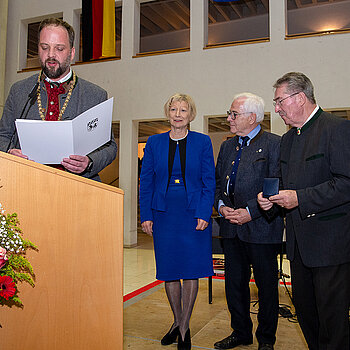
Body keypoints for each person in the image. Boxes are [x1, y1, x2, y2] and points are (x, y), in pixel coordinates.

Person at [258, 72, 350, 350]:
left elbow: (346, 183)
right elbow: (286, 186)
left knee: (333, 321)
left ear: (299, 98)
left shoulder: (337, 129)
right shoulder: (287, 140)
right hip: (298, 248)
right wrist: (270, 201)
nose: (276, 108)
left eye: (279, 101)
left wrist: (300, 198)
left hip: (331, 246)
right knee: (307, 316)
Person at [139, 93, 215, 350]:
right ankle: (176, 321)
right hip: (163, 212)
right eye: (174, 109)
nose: (178, 114)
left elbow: (209, 181)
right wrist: (146, 215)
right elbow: (146, 181)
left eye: (184, 110)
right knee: (170, 270)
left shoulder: (203, 142)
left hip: (193, 213)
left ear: (191, 115)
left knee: (191, 269)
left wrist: (205, 212)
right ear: (168, 113)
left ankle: (184, 328)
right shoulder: (153, 142)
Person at [0, 18, 117, 181]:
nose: (50, 55)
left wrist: (89, 162)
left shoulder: (95, 95)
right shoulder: (19, 91)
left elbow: (109, 146)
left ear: (72, 52)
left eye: (59, 49)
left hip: (76, 187)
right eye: (44, 47)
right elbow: (3, 136)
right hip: (24, 182)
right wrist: (9, 153)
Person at [214, 93, 283, 350]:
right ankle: (240, 332)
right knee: (234, 286)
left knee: (266, 289)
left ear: (252, 117)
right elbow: (218, 183)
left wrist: (249, 212)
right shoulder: (227, 146)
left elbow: (276, 185)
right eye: (230, 113)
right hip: (231, 229)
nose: (229, 118)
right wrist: (221, 207)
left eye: (234, 114)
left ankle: (266, 340)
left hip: (262, 229)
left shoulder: (275, 144)